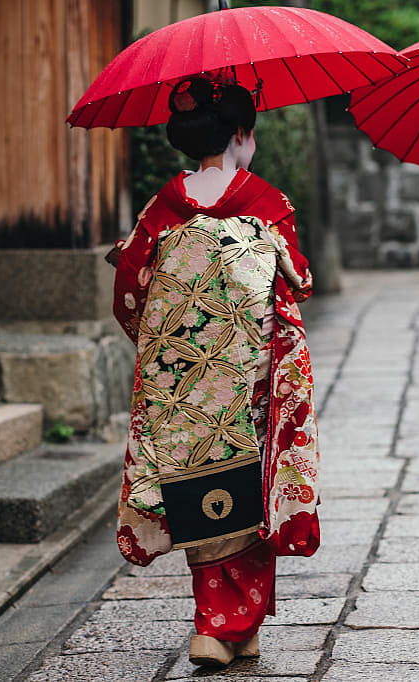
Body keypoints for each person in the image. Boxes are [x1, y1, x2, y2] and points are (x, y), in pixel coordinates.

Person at [110, 77, 320, 665]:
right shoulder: (268, 203)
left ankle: (224, 625)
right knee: (250, 478)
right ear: (241, 136)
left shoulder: (164, 205)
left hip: (184, 374)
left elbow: (130, 291)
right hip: (250, 371)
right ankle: (227, 623)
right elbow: (298, 279)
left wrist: (167, 347)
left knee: (194, 480)